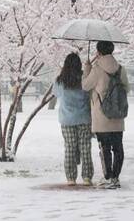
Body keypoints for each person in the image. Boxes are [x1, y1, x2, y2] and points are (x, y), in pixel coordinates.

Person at [82, 41, 129, 190]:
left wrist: (87, 69)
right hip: (117, 115)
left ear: (98, 52)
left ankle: (108, 176)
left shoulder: (97, 69)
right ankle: (116, 177)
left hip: (102, 116)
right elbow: (126, 88)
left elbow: (85, 86)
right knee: (118, 147)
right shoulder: (121, 69)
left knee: (105, 148)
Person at [52, 52, 94, 186]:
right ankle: (87, 177)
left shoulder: (60, 80)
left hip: (67, 119)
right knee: (85, 147)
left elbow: (56, 94)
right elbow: (89, 94)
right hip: (84, 118)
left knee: (69, 148)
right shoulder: (84, 78)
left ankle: (71, 177)